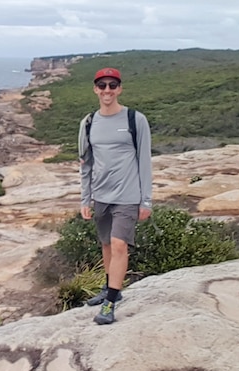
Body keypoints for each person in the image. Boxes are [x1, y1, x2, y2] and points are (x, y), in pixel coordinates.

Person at [78, 68, 153, 325]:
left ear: (119, 89)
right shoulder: (88, 123)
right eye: (102, 85)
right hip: (101, 195)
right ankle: (110, 288)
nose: (107, 90)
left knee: (120, 244)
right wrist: (85, 199)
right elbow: (85, 164)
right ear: (95, 89)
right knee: (107, 244)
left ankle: (110, 302)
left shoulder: (135, 119)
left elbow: (144, 161)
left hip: (128, 195)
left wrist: (146, 200)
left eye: (112, 85)